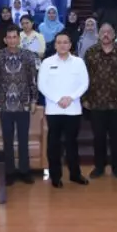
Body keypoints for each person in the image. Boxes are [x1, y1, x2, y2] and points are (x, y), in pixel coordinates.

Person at [38, 31, 90, 188]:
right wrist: (57, 99)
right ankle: (55, 176)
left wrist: (71, 98)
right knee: (54, 145)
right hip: (54, 110)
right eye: (59, 42)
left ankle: (75, 174)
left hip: (73, 109)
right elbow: (42, 85)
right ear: (54, 45)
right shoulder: (46, 62)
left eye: (65, 42)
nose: (62, 45)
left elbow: (84, 83)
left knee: (72, 144)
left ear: (70, 45)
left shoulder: (78, 62)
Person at [0, 27, 39, 185]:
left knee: (23, 139)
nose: (12, 40)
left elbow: (33, 79)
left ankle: (25, 171)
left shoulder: (28, 55)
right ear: (5, 40)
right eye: (8, 37)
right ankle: (9, 172)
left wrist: (33, 100)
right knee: (7, 139)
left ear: (19, 39)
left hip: (23, 103)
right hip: (4, 103)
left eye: (14, 37)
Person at [83, 23, 117, 179]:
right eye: (103, 32)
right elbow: (84, 78)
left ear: (114, 35)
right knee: (99, 138)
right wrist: (85, 98)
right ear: (98, 34)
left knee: (116, 138)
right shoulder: (90, 53)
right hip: (96, 103)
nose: (106, 35)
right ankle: (99, 167)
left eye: (109, 32)